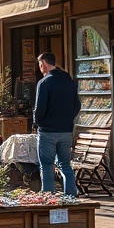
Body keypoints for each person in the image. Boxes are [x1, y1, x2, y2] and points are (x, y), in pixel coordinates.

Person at [34, 52, 81, 198]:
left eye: (40, 65)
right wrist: (67, 119)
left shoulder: (44, 83)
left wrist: (37, 123)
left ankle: (49, 197)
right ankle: (71, 196)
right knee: (65, 164)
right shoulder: (69, 81)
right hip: (66, 130)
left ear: (44, 64)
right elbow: (77, 105)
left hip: (48, 130)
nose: (40, 68)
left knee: (47, 165)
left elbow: (39, 109)